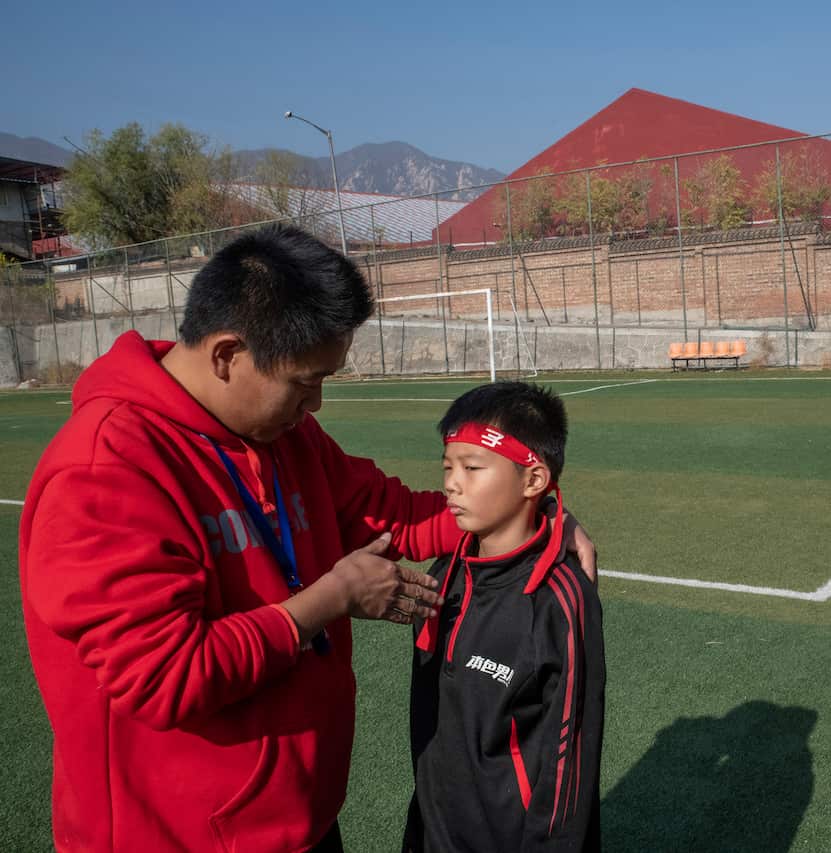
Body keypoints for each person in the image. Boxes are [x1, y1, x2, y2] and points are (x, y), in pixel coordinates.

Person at [18, 225, 596, 852]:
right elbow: (166, 677)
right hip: (175, 836)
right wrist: (329, 599)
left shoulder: (285, 437)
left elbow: (391, 513)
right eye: (304, 382)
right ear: (226, 355)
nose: (316, 404)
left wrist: (533, 514)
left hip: (298, 820)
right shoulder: (106, 467)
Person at [405, 382, 604, 852]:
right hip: (437, 829)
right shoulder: (445, 574)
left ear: (533, 481)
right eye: (448, 467)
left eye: (472, 468)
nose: (451, 483)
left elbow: (569, 759)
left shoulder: (561, 600)